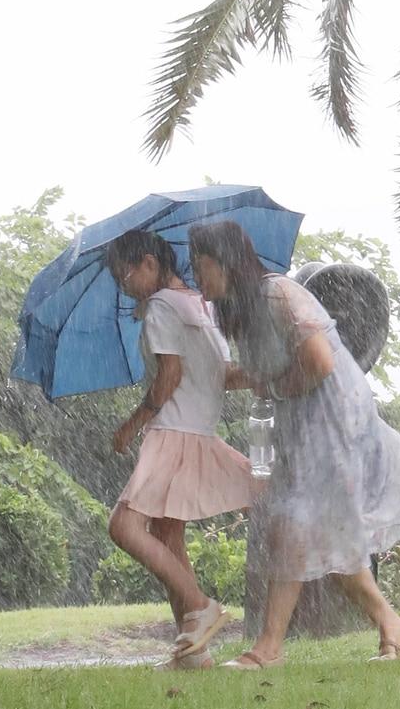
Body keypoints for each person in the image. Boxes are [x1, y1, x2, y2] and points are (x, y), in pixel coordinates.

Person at [187, 221, 400, 670]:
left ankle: (267, 648)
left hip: (333, 418)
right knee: (323, 534)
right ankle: (392, 625)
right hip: (303, 424)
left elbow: (317, 363)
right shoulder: (243, 310)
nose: (196, 277)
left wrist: (273, 386)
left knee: (295, 527)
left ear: (226, 262)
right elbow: (271, 373)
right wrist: (218, 376)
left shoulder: (277, 294)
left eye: (201, 266)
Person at [104, 231, 257, 670]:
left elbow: (169, 375)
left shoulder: (160, 307)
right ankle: (194, 652)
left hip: (171, 431)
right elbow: (224, 375)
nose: (125, 286)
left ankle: (200, 605)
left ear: (150, 263)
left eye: (126, 275)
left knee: (124, 526)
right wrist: (271, 373)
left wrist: (131, 426)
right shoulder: (202, 305)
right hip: (198, 431)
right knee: (169, 536)